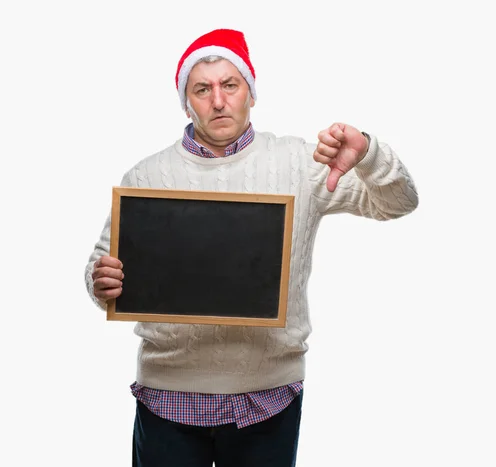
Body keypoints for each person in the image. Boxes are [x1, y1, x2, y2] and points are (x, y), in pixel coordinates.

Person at [85, 28, 419, 467]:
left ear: (251, 93)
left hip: (269, 395)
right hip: (168, 395)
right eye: (202, 89)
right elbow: (101, 269)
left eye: (230, 85)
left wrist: (371, 155)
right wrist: (100, 282)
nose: (218, 100)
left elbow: (399, 203)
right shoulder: (146, 176)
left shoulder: (302, 164)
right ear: (187, 102)